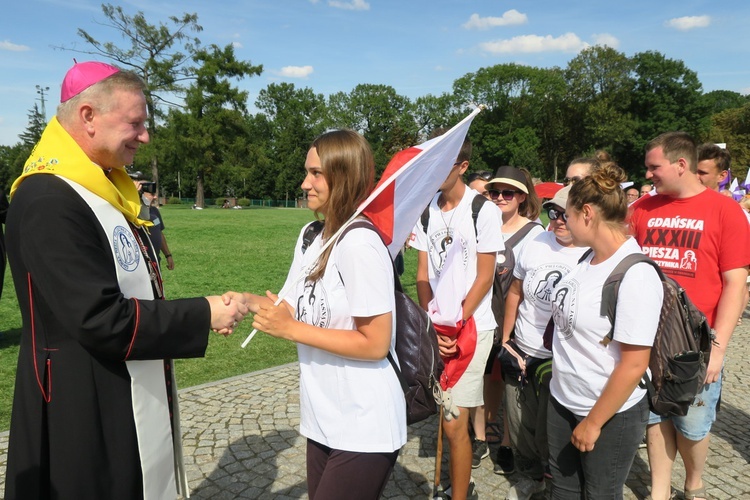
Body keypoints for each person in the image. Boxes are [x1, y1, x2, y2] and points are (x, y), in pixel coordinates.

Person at [3, 61, 248, 500]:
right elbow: (99, 318)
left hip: (117, 380)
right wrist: (204, 312)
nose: (146, 135)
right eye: (135, 123)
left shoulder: (100, 188)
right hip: (84, 402)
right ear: (89, 117)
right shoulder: (49, 199)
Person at [233, 130, 407, 499]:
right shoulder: (312, 233)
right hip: (323, 417)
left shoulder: (360, 243)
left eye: (316, 174)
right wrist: (245, 301)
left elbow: (375, 343)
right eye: (307, 172)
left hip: (365, 420)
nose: (304, 183)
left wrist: (291, 329)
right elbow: (291, 308)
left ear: (343, 176)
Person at [629, 132, 750, 500]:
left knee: (692, 425)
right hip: (645, 338)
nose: (649, 174)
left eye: (654, 167)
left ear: (680, 165)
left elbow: (736, 284)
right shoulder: (642, 209)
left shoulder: (725, 210)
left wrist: (718, 347)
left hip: (696, 344)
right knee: (655, 417)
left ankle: (693, 481)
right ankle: (660, 491)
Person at [548, 162, 663, 499]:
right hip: (563, 400)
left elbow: (634, 363)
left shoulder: (636, 274)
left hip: (608, 413)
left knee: (600, 494)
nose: (562, 223)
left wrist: (594, 422)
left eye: (566, 215)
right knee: (564, 491)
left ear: (586, 214)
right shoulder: (587, 258)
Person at [411, 131, 504, 499]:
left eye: (441, 163)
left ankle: (460, 494)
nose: (432, 171)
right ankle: (455, 483)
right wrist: (430, 324)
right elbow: (421, 274)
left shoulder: (484, 210)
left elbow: (484, 277)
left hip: (472, 327)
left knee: (453, 421)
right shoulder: (424, 209)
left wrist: (454, 323)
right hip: (438, 327)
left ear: (462, 166)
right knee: (447, 416)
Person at [499, 183, 589, 500]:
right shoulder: (536, 240)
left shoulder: (591, 251)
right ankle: (531, 478)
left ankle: (555, 484)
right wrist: (506, 338)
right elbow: (515, 291)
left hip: (562, 356)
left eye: (566, 213)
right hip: (523, 345)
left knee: (550, 428)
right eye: (553, 212)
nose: (559, 219)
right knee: (518, 421)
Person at [478, 166, 544, 475]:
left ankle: (506, 440)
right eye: (494, 192)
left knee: (508, 379)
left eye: (509, 193)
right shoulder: (479, 223)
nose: (500, 198)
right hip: (480, 313)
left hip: (515, 317)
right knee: (482, 375)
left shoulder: (535, 232)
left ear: (522, 196)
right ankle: (482, 432)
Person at [135, 180, 175, 271]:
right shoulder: (131, 213)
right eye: (152, 194)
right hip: (141, 266)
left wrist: (168, 255)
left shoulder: (154, 212)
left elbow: (159, 233)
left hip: (156, 262)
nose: (156, 197)